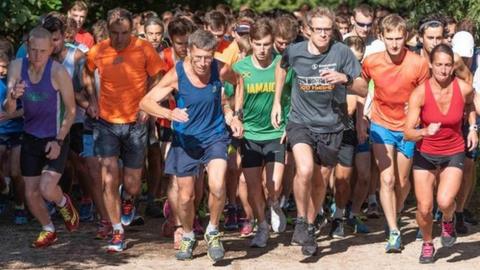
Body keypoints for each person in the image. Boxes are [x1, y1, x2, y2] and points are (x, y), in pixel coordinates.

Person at [271, 6, 365, 256]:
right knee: (304, 169)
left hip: (332, 126)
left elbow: (364, 88)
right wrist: (277, 101)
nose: (324, 34)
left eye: (328, 30)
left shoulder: (342, 52)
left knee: (321, 180)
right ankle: (301, 219)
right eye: (319, 30)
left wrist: (344, 79)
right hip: (301, 122)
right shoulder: (295, 51)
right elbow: (281, 68)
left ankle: (310, 227)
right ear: (307, 30)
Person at [140, 29, 237, 262]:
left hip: (214, 136)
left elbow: (239, 82)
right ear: (189, 52)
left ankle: (213, 230)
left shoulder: (220, 68)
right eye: (198, 58)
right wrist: (169, 113)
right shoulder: (177, 74)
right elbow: (146, 102)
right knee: (185, 196)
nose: (203, 63)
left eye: (208, 57)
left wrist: (234, 113)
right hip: (186, 140)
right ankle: (188, 234)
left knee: (217, 184)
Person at [84, 7, 165, 253]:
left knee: (131, 184)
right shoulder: (99, 50)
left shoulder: (143, 48)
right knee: (109, 177)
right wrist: (93, 100)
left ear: (132, 30)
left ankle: (129, 200)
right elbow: (86, 72)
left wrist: (148, 104)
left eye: (124, 33)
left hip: (135, 123)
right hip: (106, 122)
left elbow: (160, 75)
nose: (119, 38)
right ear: (108, 30)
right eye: (114, 32)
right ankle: (117, 229)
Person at [356, 14, 430, 253]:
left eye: (399, 38)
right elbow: (360, 87)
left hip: (408, 127)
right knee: (387, 179)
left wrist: (417, 109)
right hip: (381, 124)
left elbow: (426, 95)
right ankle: (394, 231)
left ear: (406, 37)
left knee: (403, 181)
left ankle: (394, 214)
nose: (395, 44)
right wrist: (360, 118)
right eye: (390, 38)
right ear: (381, 37)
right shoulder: (372, 61)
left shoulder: (418, 63)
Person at [5, 26, 78, 248]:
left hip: (55, 136)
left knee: (47, 189)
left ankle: (64, 201)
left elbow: (72, 110)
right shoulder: (17, 66)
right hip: (30, 136)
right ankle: (48, 229)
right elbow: (9, 110)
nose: (37, 56)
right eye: (33, 50)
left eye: (43, 51)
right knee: (30, 193)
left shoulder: (58, 72)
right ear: (27, 47)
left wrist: (59, 140)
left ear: (51, 49)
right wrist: (11, 96)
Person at [404, 44, 477, 263]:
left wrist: (473, 128)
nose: (444, 70)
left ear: (453, 66)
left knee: (445, 201)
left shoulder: (463, 89)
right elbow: (408, 133)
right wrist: (425, 131)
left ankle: (448, 219)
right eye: (439, 65)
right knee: (424, 208)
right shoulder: (420, 93)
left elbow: (471, 105)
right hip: (426, 153)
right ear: (430, 65)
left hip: (453, 150)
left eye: (448, 65)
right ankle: (428, 243)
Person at [233, 18, 290, 247]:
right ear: (251, 42)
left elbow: (294, 96)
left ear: (272, 42)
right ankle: (262, 226)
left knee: (272, 185)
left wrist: (290, 124)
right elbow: (228, 97)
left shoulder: (282, 65)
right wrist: (234, 116)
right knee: (254, 185)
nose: (262, 49)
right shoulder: (241, 68)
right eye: (258, 44)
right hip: (250, 136)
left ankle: (275, 203)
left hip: (276, 133)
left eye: (266, 43)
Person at [0, 51, 26, 225]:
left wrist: (10, 116)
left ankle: (20, 206)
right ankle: (3, 190)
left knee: (17, 173)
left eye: (4, 66)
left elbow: (28, 109)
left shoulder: (19, 82)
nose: (1, 70)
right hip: (0, 132)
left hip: (18, 131)